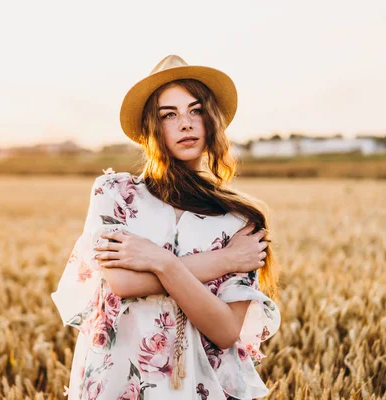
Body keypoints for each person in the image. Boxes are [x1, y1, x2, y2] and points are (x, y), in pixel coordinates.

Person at [51, 55, 281, 400]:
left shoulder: (239, 220)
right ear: (150, 128)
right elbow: (124, 283)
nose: (185, 124)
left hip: (201, 388)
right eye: (168, 115)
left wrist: (160, 262)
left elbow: (224, 331)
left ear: (212, 120)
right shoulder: (116, 193)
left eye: (196, 110)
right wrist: (225, 260)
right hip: (119, 382)